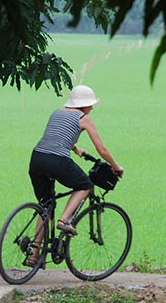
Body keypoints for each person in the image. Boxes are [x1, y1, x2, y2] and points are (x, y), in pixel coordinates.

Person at [27, 84, 123, 265]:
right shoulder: (84, 118)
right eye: (91, 105)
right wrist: (115, 166)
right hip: (57, 159)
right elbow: (101, 148)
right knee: (85, 185)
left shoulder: (56, 112)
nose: (92, 108)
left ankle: (34, 252)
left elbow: (55, 136)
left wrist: (75, 148)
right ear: (84, 105)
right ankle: (64, 219)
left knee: (45, 205)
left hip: (37, 158)